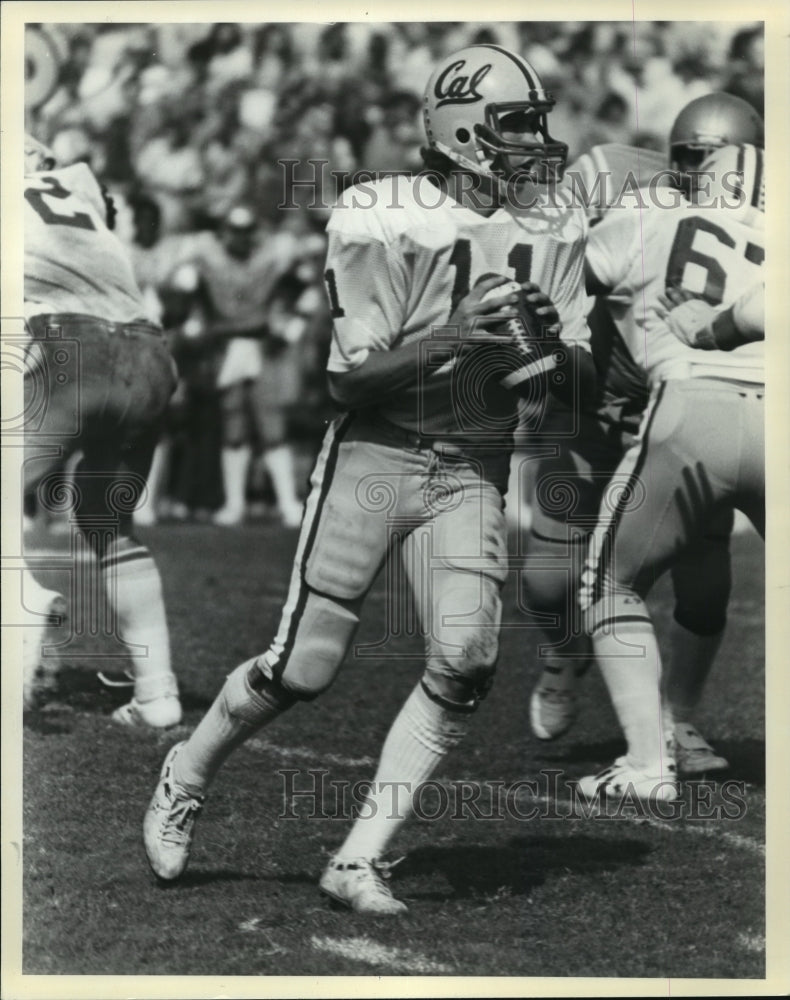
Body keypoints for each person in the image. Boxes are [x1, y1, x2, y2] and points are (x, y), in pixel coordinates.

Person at [143, 43, 593, 914]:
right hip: (378, 449)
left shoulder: (554, 222)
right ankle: (186, 772)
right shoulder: (380, 214)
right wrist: (461, 335)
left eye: (536, 122)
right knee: (302, 668)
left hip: (473, 463)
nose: (534, 141)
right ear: (461, 129)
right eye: (515, 124)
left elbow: (576, 374)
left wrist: (551, 355)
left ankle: (357, 858)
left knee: (466, 659)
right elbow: (348, 381)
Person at [524, 93, 763, 777]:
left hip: (693, 403)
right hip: (599, 393)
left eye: (710, 162)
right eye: (688, 160)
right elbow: (553, 258)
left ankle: (677, 720)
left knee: (705, 582)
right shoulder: (614, 178)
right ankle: (565, 651)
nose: (697, 174)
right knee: (548, 581)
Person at [22, 133, 182, 728]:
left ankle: (30, 613)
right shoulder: (81, 182)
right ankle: (158, 693)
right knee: (106, 519)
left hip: (73, 347)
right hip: (147, 351)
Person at [188, 206, 303, 527]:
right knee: (234, 425)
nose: (240, 237)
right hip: (228, 344)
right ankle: (234, 503)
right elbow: (197, 299)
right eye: (234, 230)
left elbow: (302, 291)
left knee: (271, 424)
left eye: (245, 230)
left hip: (261, 342)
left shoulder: (270, 259)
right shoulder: (209, 260)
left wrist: (288, 326)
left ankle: (287, 503)